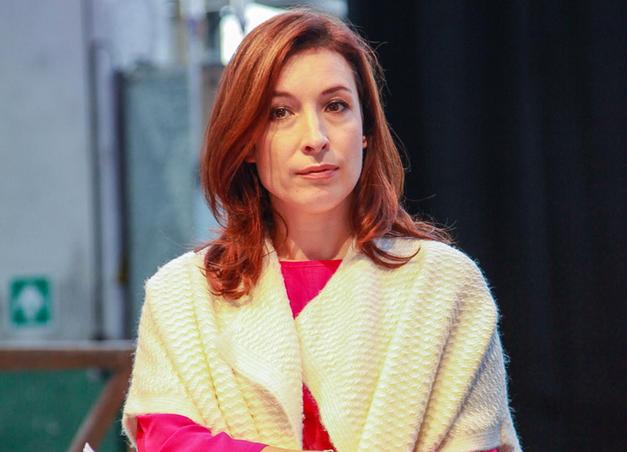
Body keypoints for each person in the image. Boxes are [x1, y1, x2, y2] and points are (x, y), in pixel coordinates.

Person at [122, 9, 521, 452]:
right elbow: (167, 439)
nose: (315, 137)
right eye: (280, 112)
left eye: (336, 106)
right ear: (246, 141)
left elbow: (475, 442)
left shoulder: (445, 286)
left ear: (366, 129)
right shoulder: (182, 294)